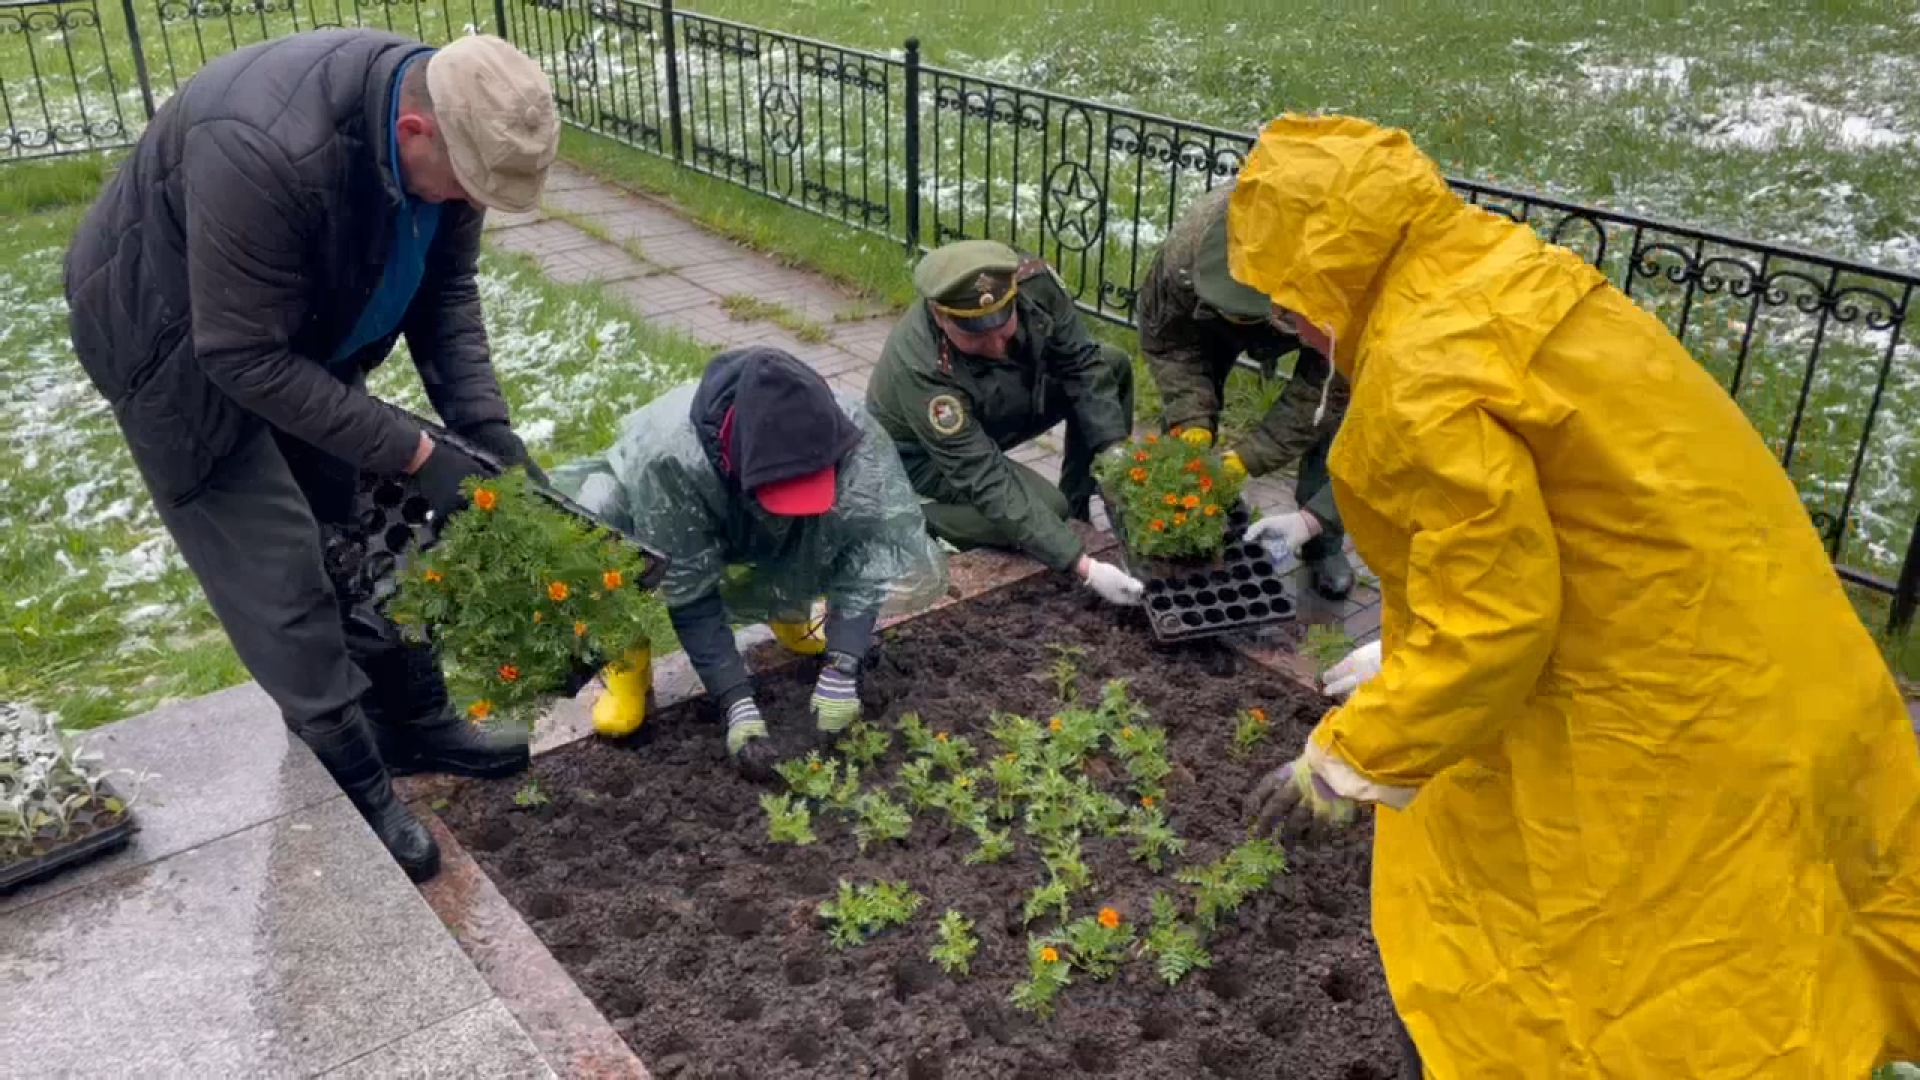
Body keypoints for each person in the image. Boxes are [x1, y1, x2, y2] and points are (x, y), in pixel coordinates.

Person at [1232, 113, 1920, 1076]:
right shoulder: (1517, 275)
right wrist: (1405, 644)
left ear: (1328, 277)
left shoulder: (1423, 378)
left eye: (1288, 302)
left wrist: (1351, 757)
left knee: (1631, 981)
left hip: (1671, 723)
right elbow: (1570, 525)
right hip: (1779, 655)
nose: (1295, 328)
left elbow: (1497, 624)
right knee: (1804, 922)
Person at [62, 29, 562, 883]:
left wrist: (485, 430)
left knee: (361, 517)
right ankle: (355, 780)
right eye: (467, 186)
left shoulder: (453, 124)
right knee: (279, 564)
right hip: (170, 342)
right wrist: (410, 449)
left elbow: (444, 291)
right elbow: (240, 356)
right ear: (414, 133)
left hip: (281, 327)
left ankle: (414, 720)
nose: (468, 203)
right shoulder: (264, 147)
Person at [552, 346, 948, 776]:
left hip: (748, 504)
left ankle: (790, 615)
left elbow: (864, 548)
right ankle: (626, 661)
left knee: (831, 519)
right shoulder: (670, 461)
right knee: (599, 517)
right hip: (658, 509)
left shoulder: (847, 435)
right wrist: (735, 702)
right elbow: (692, 593)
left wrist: (844, 663)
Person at [865, 239, 1144, 608]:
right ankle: (908, 518)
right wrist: (1083, 566)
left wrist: (1117, 462)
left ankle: (1077, 508)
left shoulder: (1034, 284)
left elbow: (1082, 364)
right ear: (939, 315)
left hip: (994, 407)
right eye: (975, 335)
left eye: (1002, 326)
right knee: (1047, 511)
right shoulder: (920, 363)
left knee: (1112, 366)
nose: (996, 345)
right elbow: (982, 474)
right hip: (924, 458)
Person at [1136, 182, 1355, 600]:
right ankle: (1177, 531)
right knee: (1185, 430)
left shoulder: (1335, 278)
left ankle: (1320, 541)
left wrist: (1249, 458)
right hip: (1206, 319)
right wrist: (1191, 421)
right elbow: (1169, 343)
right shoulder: (1184, 260)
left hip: (1304, 311)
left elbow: (1324, 391)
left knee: (1331, 423)